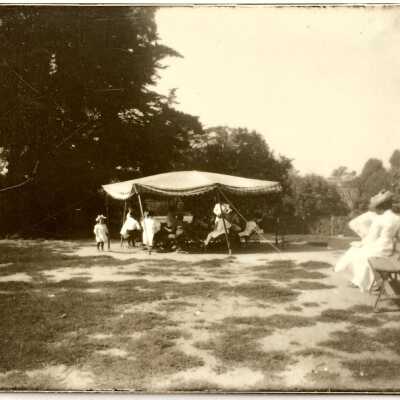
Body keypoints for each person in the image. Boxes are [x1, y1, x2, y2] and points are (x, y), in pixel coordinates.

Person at [334, 190, 400, 292]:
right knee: (357, 252)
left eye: (377, 208)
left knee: (355, 253)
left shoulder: (380, 219)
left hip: (379, 247)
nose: (376, 211)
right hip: (388, 247)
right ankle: (363, 280)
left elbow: (372, 237)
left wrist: (362, 243)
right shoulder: (397, 218)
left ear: (381, 207)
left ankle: (368, 282)